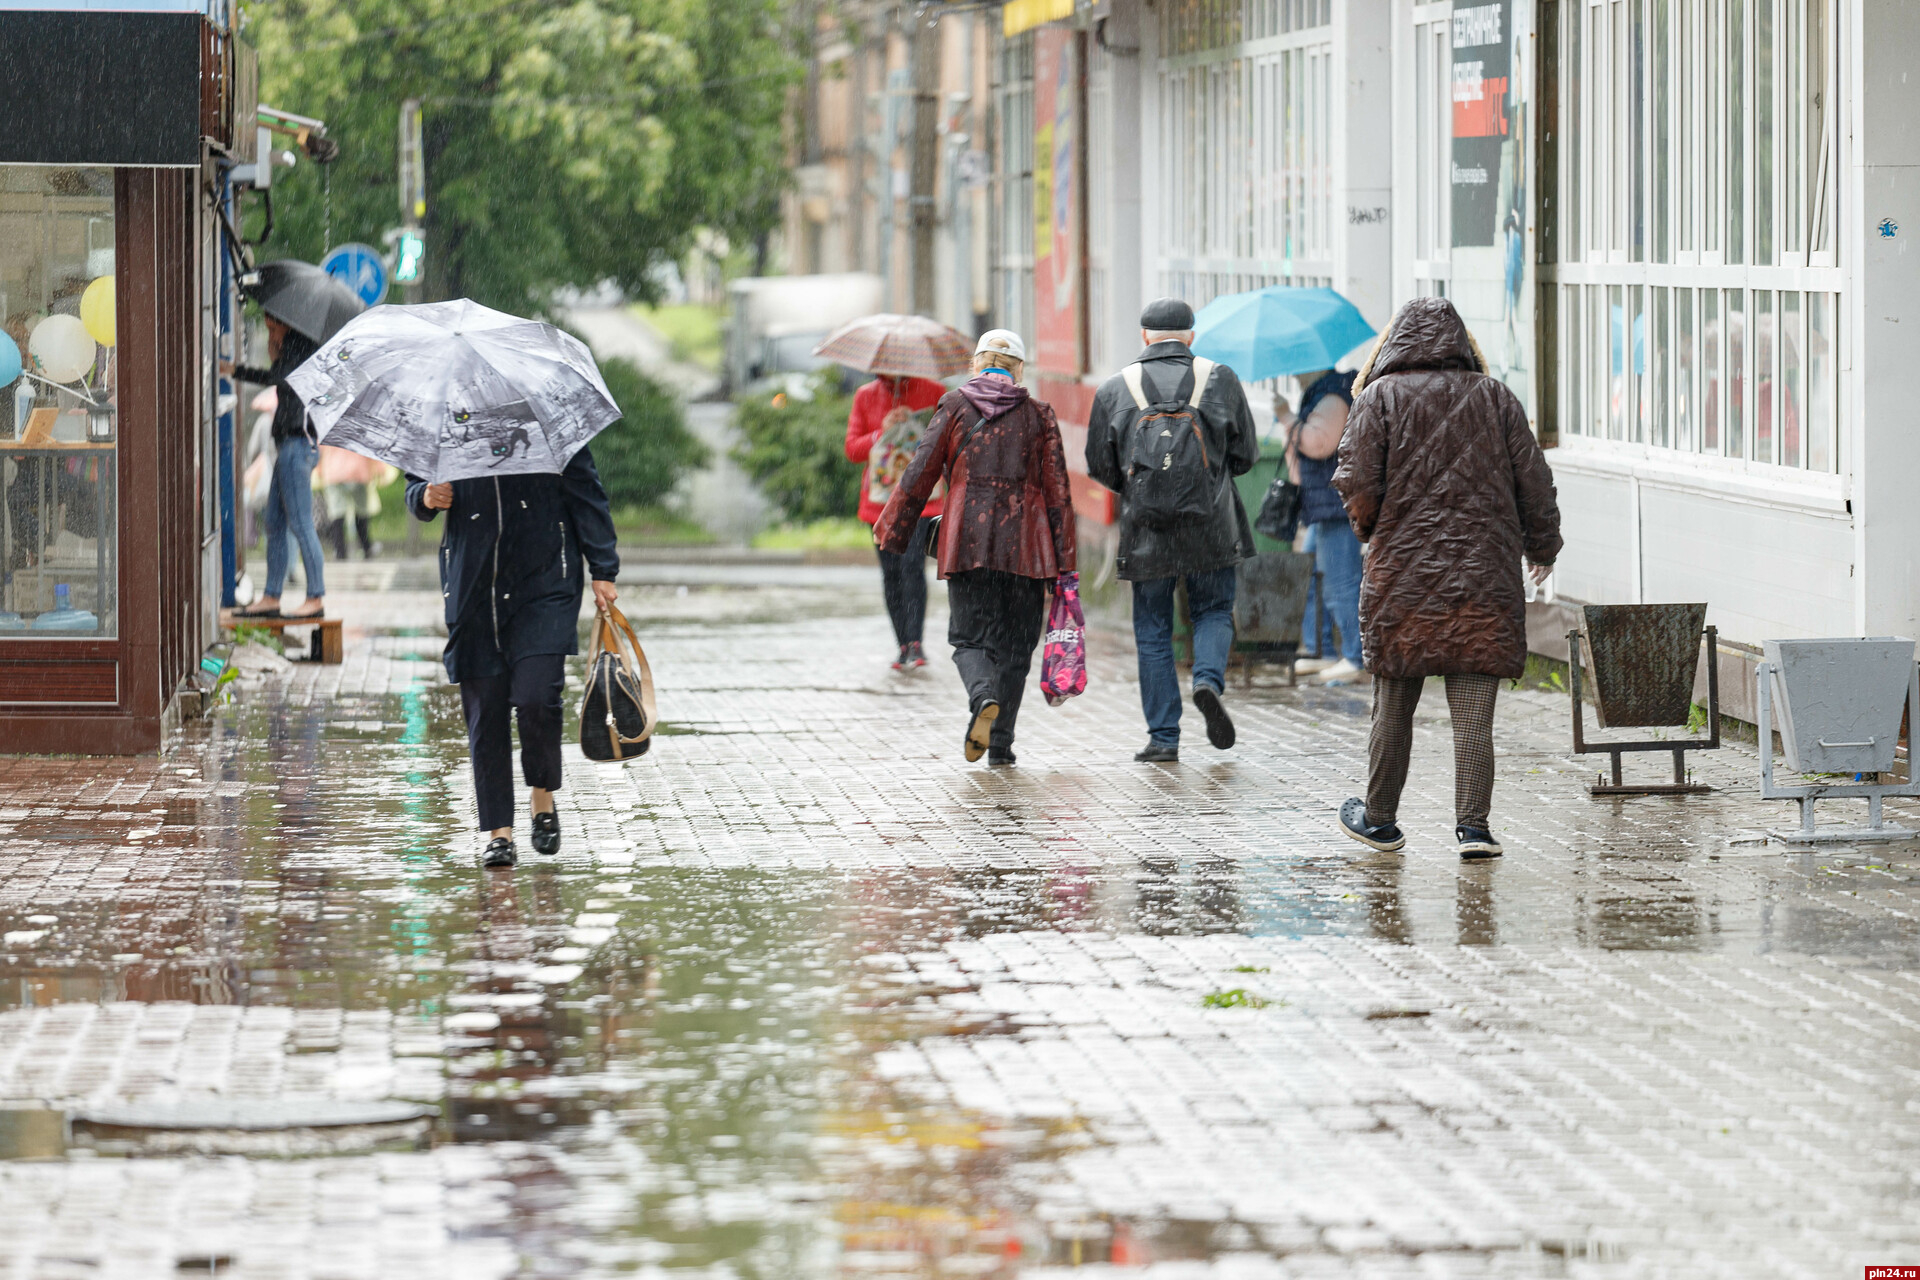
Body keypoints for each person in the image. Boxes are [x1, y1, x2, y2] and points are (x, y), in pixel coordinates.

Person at [1331, 296, 1561, 860]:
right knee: (1475, 716)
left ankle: (1380, 819)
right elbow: (1534, 479)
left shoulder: (1378, 397)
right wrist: (1543, 546)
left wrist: (1369, 530)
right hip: (1485, 579)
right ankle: (1474, 828)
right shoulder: (1495, 397)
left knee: (1394, 708)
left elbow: (1356, 480)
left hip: (1402, 580)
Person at [407, 447, 621, 868]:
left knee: (537, 696)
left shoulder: (547, 421)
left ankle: (542, 793)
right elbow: (415, 485)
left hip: (544, 581)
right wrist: (426, 497)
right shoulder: (446, 420)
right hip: (473, 581)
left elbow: (586, 492)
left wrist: (603, 568)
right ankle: (498, 833)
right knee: (485, 709)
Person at [874, 330, 1075, 766]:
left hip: (967, 541)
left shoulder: (954, 405)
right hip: (1027, 546)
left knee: (970, 640)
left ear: (976, 365)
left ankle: (982, 697)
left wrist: (893, 529)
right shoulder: (1040, 415)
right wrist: (1066, 560)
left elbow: (920, 469)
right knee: (1017, 647)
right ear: (1019, 370)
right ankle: (1000, 745)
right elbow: (1058, 492)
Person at [1086, 298, 1259, 763]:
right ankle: (1206, 679)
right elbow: (1245, 457)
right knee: (1214, 610)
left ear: (1144, 337)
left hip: (1147, 534)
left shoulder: (1114, 389)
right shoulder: (1220, 380)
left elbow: (1101, 467)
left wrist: (1145, 487)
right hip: (1211, 527)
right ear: (1191, 337)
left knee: (1153, 630)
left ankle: (1164, 737)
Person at [844, 370, 947, 668]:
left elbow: (947, 439)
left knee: (912, 566)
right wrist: (882, 431)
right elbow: (852, 449)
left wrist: (916, 425)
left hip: (920, 499)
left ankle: (916, 643)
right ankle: (902, 644)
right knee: (891, 572)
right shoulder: (866, 395)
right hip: (879, 502)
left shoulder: (933, 390)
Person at [230, 316, 327, 620]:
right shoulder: (291, 351)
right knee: (273, 520)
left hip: (299, 445)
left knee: (300, 524)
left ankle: (316, 597)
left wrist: (276, 354)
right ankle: (272, 596)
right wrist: (235, 370)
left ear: (289, 323)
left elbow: (282, 378)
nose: (270, 330)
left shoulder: (304, 348)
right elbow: (276, 378)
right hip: (287, 446)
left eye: (274, 327)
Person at [1286, 368, 1366, 686]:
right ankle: (1322, 651)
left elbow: (1320, 444)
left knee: (1341, 584)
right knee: (1310, 580)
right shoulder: (1321, 393)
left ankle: (1355, 657)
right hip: (1323, 506)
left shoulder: (1333, 395)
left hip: (1336, 506)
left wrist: (1285, 417)